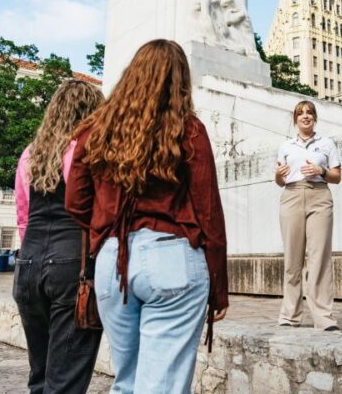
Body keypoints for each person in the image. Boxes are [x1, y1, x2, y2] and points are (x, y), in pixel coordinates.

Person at [65, 39, 229, 394]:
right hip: (173, 256)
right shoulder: (189, 129)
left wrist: (105, 229)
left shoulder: (94, 130)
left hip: (113, 260)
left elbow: (75, 202)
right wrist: (219, 285)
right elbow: (208, 213)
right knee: (161, 387)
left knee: (127, 382)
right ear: (180, 80)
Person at [12, 79, 104, 394]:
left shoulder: (30, 153)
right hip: (70, 266)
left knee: (40, 377)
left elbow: (23, 216)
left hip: (28, 264)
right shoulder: (86, 149)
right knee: (65, 381)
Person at [274, 100, 342, 331]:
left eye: (310, 113)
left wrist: (321, 171)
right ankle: (290, 315)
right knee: (292, 258)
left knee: (319, 257)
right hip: (291, 195)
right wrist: (278, 175)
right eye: (301, 113)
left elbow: (336, 176)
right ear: (295, 119)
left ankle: (323, 317)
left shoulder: (327, 144)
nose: (305, 116)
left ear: (315, 118)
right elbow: (280, 180)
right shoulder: (286, 146)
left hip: (319, 196)